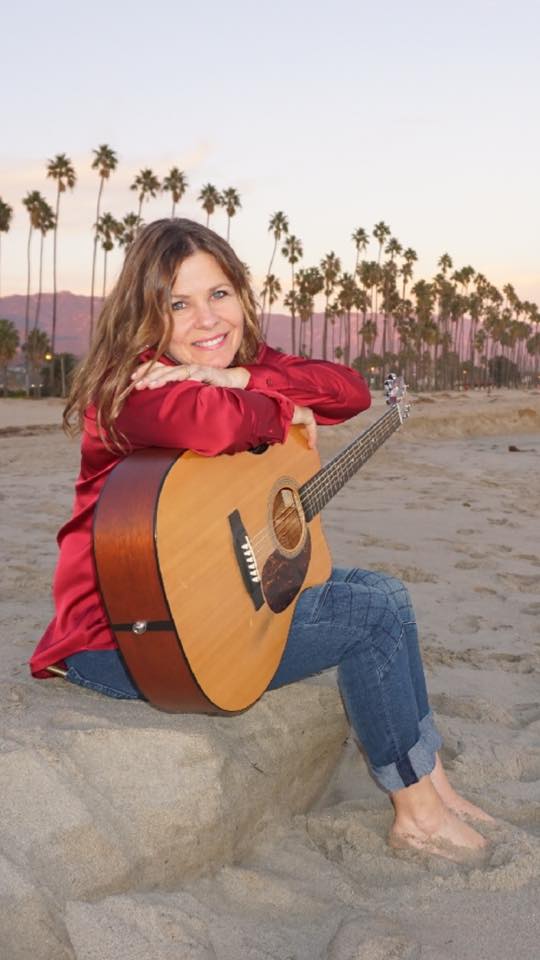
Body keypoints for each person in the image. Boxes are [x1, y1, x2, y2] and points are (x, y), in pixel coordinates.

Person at [30, 218, 492, 858]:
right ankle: (415, 814)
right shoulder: (129, 388)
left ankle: (432, 781)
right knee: (372, 610)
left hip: (202, 605)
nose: (205, 319)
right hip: (125, 639)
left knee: (385, 594)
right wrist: (286, 412)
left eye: (219, 294)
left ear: (243, 296)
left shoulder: (241, 363)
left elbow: (349, 391)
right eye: (178, 304)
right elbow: (212, 426)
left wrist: (247, 380)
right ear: (147, 316)